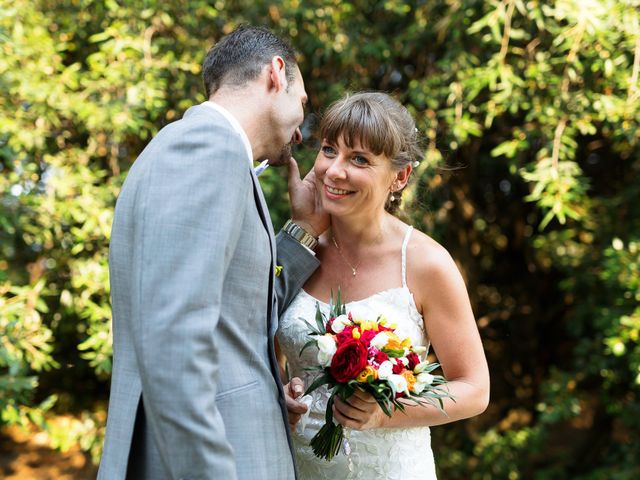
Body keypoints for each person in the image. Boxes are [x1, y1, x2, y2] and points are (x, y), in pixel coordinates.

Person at [98, 26, 328, 480]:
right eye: (303, 105)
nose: (300, 133)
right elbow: (173, 342)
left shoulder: (195, 150)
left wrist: (303, 231)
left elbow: (231, 311)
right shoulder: (209, 147)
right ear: (276, 75)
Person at [277, 92, 490, 478]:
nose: (334, 171)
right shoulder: (297, 251)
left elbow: (474, 388)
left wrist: (386, 412)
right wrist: (281, 395)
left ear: (400, 176)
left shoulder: (426, 263)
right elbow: (258, 354)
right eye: (328, 150)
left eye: (359, 159)